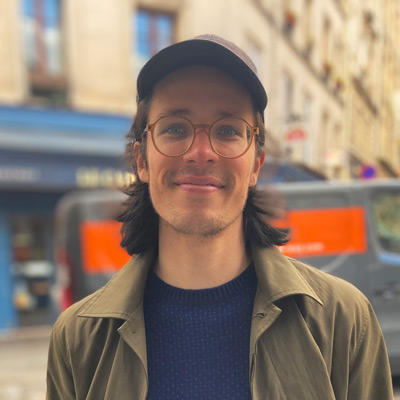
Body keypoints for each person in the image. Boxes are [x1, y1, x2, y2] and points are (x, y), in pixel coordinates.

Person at [46, 34, 393, 400]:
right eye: (175, 127)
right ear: (141, 161)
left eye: (227, 130)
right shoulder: (77, 338)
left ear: (256, 163)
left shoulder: (344, 320)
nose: (201, 153)